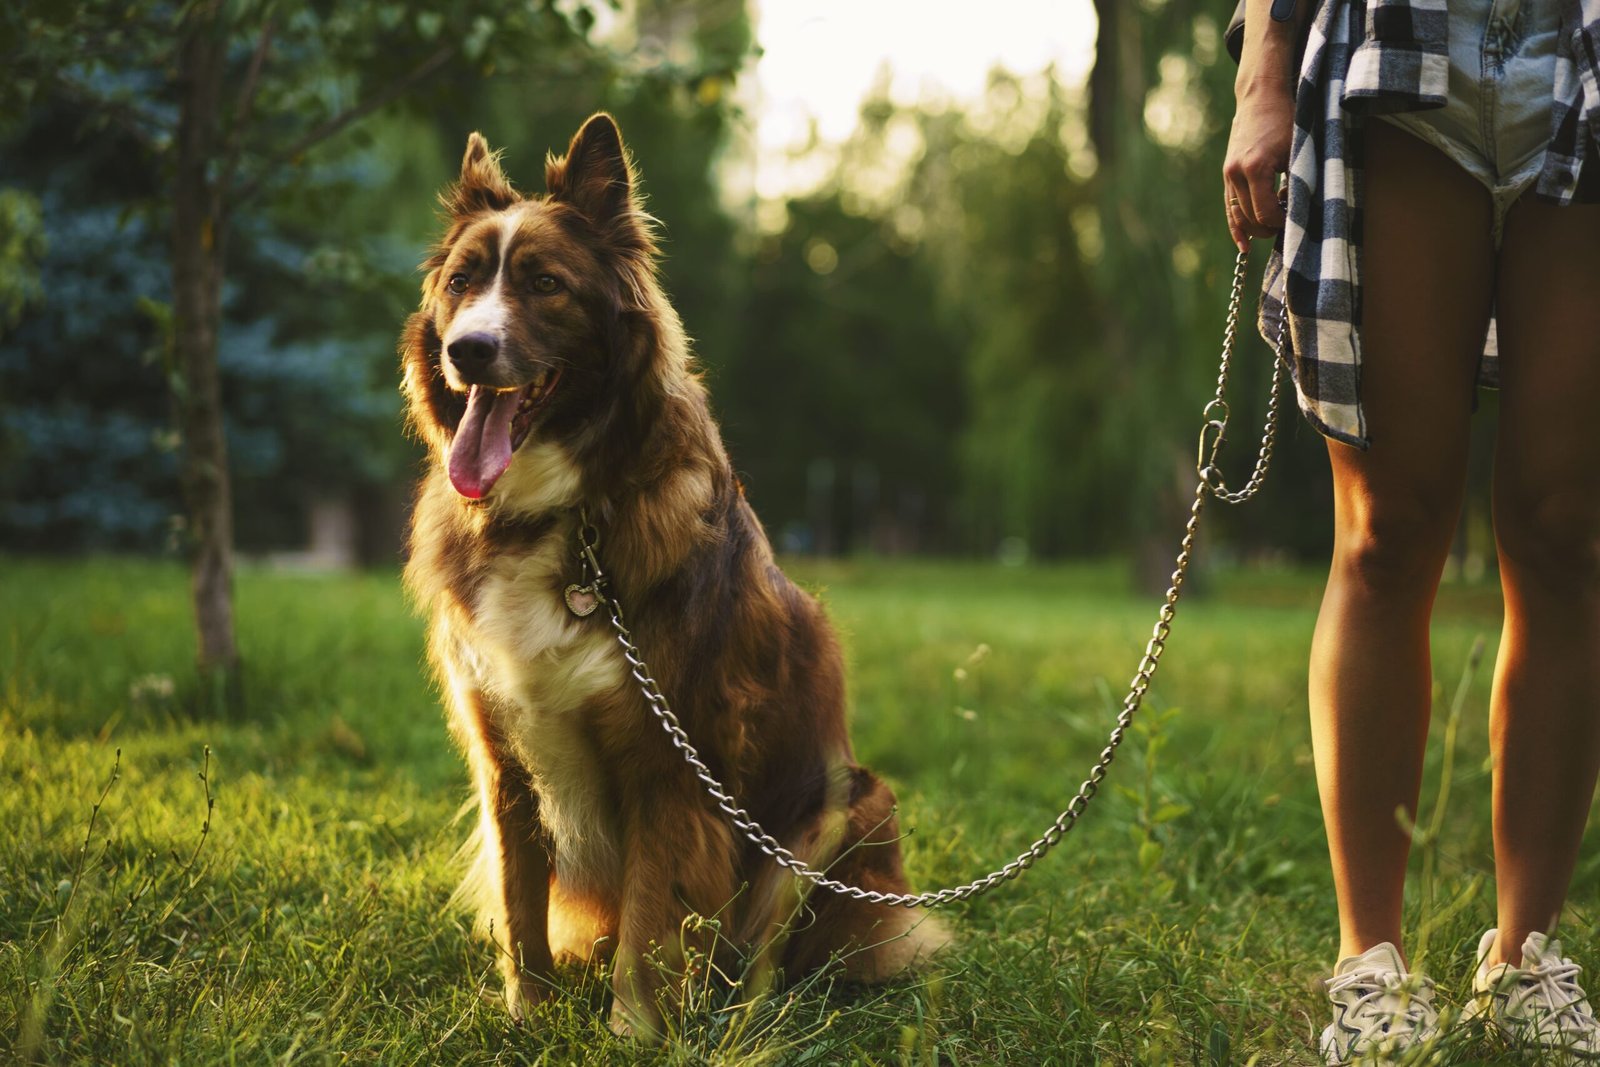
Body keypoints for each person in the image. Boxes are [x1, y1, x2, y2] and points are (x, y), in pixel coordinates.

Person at [1223, 0, 1600, 1060]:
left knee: (1568, 534)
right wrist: (1262, 76)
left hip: (1586, 61)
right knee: (1387, 530)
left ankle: (1524, 960)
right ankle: (1371, 964)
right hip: (1402, 52)